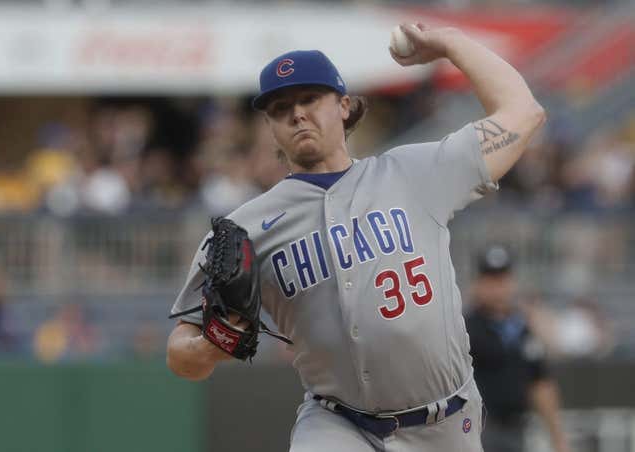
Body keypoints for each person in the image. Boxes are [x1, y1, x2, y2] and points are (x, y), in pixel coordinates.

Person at [167, 22, 546, 452]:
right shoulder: (243, 229)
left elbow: (522, 112)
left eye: (310, 98)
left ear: (344, 105)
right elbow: (180, 356)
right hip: (337, 424)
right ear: (270, 126)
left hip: (446, 422)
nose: (296, 113)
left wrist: (449, 44)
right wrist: (212, 344)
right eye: (279, 107)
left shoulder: (415, 173)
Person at [465, 244, 570, 452]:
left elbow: (540, 384)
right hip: (478, 430)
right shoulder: (465, 328)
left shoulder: (523, 328)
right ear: (479, 283)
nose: (497, 287)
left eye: (502, 279)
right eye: (491, 279)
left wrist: (558, 437)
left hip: (517, 429)